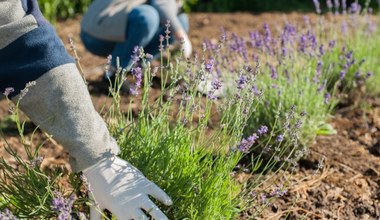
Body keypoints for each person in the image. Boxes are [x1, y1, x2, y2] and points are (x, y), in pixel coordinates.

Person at [0, 0, 172, 219]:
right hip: (99, 30)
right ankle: (116, 73)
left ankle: (126, 70)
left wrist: (97, 156)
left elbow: (21, 43)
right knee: (146, 17)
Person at [80, 0, 192, 83]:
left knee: (180, 21)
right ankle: (114, 73)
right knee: (148, 16)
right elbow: (162, 6)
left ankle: (134, 67)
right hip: (96, 36)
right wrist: (183, 39)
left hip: (117, 30)